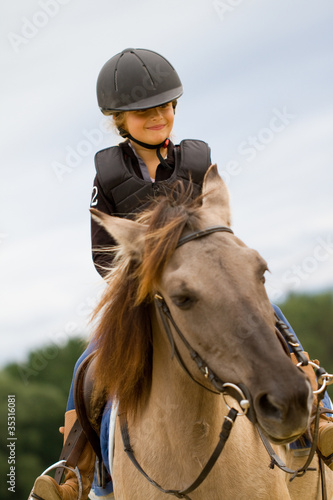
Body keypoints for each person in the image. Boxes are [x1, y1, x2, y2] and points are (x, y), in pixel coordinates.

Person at [29, 48, 333, 500]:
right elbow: (101, 253)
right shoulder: (108, 176)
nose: (159, 116)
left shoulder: (195, 159)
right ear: (118, 119)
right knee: (89, 364)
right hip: (142, 291)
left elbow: (212, 224)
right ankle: (76, 471)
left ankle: (321, 416)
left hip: (200, 281)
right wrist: (142, 268)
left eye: (166, 106)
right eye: (144, 111)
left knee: (270, 313)